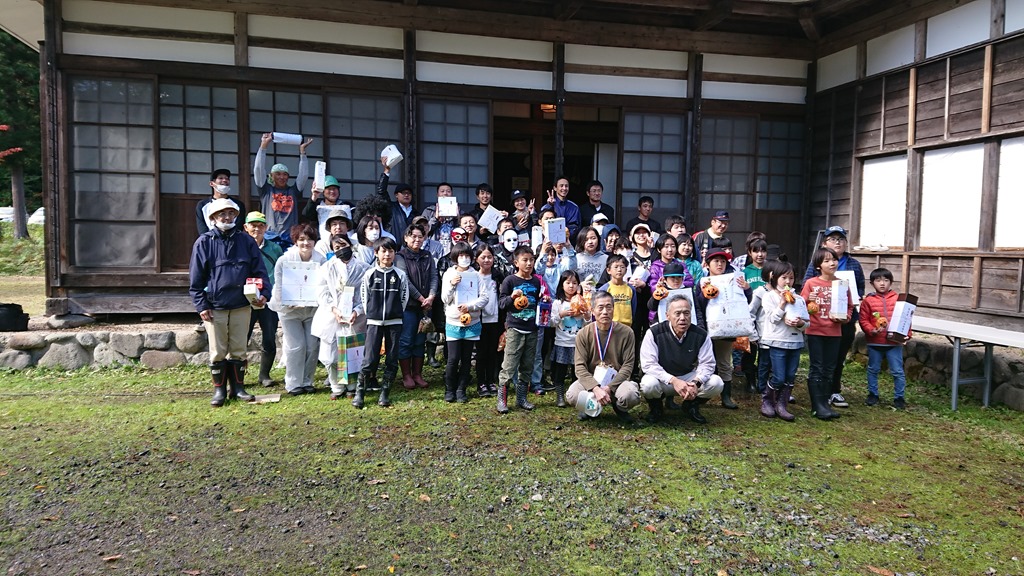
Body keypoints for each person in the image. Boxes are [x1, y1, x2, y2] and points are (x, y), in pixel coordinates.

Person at [189, 198, 270, 407]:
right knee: (217, 350)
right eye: (222, 214)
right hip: (214, 305)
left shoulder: (246, 241)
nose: (227, 217)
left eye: (231, 213)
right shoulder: (204, 242)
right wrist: (201, 305)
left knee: (239, 348)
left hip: (242, 304)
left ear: (236, 216)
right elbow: (196, 279)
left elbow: (260, 271)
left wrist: (264, 293)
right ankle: (219, 391)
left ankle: (238, 388)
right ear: (213, 218)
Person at [802, 225, 864, 409]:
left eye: (841, 239)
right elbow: (805, 294)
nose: (838, 242)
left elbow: (858, 290)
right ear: (824, 243)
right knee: (818, 364)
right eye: (833, 239)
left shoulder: (853, 265)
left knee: (835, 360)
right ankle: (818, 401)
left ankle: (831, 393)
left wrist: (848, 314)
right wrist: (811, 300)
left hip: (841, 323)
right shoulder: (814, 271)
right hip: (818, 324)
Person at [640, 295, 724, 423]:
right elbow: (648, 364)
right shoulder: (654, 333)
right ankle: (656, 407)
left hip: (687, 377)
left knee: (716, 383)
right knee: (648, 384)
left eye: (686, 313)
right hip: (664, 378)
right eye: (677, 313)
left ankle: (691, 405)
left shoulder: (700, 334)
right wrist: (673, 380)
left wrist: (696, 383)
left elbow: (707, 364)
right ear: (667, 315)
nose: (682, 318)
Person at [565, 290, 642, 423]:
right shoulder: (583, 334)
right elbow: (580, 367)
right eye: (600, 308)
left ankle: (619, 407)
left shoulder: (626, 333)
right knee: (572, 395)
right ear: (593, 311)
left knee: (631, 395)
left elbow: (628, 366)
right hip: (591, 378)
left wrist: (608, 388)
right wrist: (595, 388)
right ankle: (590, 408)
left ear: (613, 309)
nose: (605, 312)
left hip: (616, 379)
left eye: (608, 307)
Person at [268, 223, 325, 396]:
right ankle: (293, 383)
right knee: (296, 346)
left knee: (312, 346)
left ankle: (307, 381)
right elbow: (279, 286)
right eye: (301, 239)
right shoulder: (284, 260)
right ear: (295, 241)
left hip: (312, 310)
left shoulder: (321, 260)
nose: (305, 243)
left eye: (309, 239)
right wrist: (286, 302)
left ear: (315, 241)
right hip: (290, 311)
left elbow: (324, 285)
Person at [312, 233, 369, 400]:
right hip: (331, 315)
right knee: (330, 355)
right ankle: (336, 385)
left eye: (343, 245)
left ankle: (352, 385)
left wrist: (357, 310)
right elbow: (322, 292)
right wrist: (334, 309)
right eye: (337, 247)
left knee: (352, 352)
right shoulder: (326, 268)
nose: (341, 249)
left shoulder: (364, 268)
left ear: (350, 245)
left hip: (355, 316)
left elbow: (366, 294)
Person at [356, 237, 410, 409]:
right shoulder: (369, 274)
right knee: (370, 358)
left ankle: (385, 392)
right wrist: (373, 313)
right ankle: (360, 391)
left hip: (395, 322)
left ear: (395, 253)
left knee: (392, 359)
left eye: (391, 251)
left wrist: (396, 313)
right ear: (376, 253)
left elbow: (404, 297)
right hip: (374, 322)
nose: (387, 254)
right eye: (383, 251)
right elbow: (364, 296)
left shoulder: (400, 275)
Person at [694, 249, 751, 410]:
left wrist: (747, 289)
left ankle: (726, 396)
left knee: (725, 362)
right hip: (707, 328)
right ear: (707, 264)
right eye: (716, 261)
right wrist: (704, 294)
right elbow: (698, 306)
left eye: (723, 261)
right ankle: (701, 394)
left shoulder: (734, 280)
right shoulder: (702, 282)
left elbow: (744, 302)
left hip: (727, 328)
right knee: (703, 361)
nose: (720, 264)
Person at [801, 247, 852, 420]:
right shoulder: (811, 283)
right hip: (815, 331)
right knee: (817, 366)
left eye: (834, 259)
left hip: (834, 331)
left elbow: (849, 306)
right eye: (827, 260)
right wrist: (809, 303)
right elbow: (801, 304)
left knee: (830, 368)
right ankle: (817, 406)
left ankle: (825, 403)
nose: (832, 263)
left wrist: (846, 318)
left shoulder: (842, 284)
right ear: (818, 265)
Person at [496, 245, 545, 413]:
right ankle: (502, 400)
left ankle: (521, 398)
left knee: (527, 365)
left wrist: (544, 301)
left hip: (532, 328)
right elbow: (502, 303)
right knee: (509, 365)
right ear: (516, 262)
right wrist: (512, 297)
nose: (529, 263)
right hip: (515, 328)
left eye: (531, 260)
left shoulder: (536, 281)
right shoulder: (510, 281)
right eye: (525, 260)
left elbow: (537, 302)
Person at [757, 259, 805, 421]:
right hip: (777, 341)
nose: (787, 281)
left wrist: (800, 323)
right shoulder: (769, 296)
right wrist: (782, 304)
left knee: (790, 376)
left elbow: (807, 323)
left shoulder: (799, 299)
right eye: (784, 277)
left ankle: (781, 405)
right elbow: (772, 318)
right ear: (775, 278)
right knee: (779, 376)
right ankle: (767, 401)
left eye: (791, 278)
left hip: (795, 342)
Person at [441, 242, 489, 402]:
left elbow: (484, 298)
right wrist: (452, 285)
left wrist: (470, 306)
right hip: (453, 322)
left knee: (467, 358)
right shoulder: (449, 273)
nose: (464, 259)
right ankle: (450, 389)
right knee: (453, 358)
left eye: (467, 255)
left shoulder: (476, 275)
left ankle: (461, 389)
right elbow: (445, 299)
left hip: (472, 322)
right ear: (455, 257)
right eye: (461, 255)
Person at [394, 223, 437, 391]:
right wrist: (420, 298)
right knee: (406, 340)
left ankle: (417, 374)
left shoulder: (427, 255)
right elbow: (404, 279)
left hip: (426, 306)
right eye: (413, 236)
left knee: (420, 340)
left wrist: (431, 296)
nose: (417, 239)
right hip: (408, 305)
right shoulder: (400, 257)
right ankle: (406, 375)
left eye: (420, 236)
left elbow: (434, 277)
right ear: (406, 238)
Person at [858, 267, 909, 410]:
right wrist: (871, 330)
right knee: (873, 369)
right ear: (872, 283)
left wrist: (907, 334)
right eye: (878, 280)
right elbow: (863, 320)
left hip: (894, 343)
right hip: (875, 342)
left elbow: (906, 318)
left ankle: (899, 397)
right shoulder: (868, 301)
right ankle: (873, 394)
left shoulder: (898, 299)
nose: (882, 283)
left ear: (891, 282)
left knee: (897, 371)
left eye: (886, 280)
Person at [243, 211, 283, 387]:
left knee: (269, 337)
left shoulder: (275, 249)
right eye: (253, 225)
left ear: (266, 228)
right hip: (245, 300)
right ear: (246, 227)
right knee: (241, 338)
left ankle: (264, 375)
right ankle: (238, 375)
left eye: (261, 225)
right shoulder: (240, 247)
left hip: (268, 299)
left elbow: (281, 273)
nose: (257, 229)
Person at [253, 132, 312, 245]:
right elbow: (258, 169)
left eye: (285, 174)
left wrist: (302, 153)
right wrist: (263, 146)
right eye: (278, 174)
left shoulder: (293, 191)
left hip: (290, 237)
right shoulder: (266, 191)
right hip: (270, 237)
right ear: (271, 176)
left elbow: (303, 176)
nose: (282, 177)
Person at [549, 270, 587, 408]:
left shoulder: (582, 301)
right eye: (568, 283)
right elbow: (551, 323)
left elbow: (588, 323)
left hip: (578, 344)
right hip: (562, 342)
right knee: (560, 371)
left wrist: (586, 315)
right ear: (562, 284)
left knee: (578, 372)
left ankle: (576, 396)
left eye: (575, 283)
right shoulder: (558, 303)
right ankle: (560, 396)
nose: (571, 286)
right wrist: (562, 314)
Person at [474, 244, 503, 398]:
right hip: (478, 319)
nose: (486, 260)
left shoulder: (498, 276)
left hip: (495, 318)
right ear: (476, 259)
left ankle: (491, 380)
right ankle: (481, 382)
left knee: (493, 351)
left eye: (489, 257)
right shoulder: (473, 276)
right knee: (481, 352)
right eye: (483, 257)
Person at [376, 158, 416, 247]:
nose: (406, 195)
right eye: (403, 193)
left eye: (409, 193)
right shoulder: (391, 208)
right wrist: (387, 171)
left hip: (410, 249)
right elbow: (381, 192)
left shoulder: (416, 213)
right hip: (392, 247)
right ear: (396, 195)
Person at [196, 168, 245, 234]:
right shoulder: (202, 205)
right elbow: (202, 228)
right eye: (220, 178)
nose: (224, 180)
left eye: (227, 178)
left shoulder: (238, 205)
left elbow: (239, 227)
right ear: (212, 183)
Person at [599, 254, 635, 328]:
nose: (619, 270)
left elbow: (633, 308)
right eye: (616, 267)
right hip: (609, 326)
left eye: (622, 267)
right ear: (608, 270)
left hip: (627, 326)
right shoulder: (604, 289)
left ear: (626, 270)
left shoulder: (631, 289)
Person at [422, 182, 457, 259]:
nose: (445, 193)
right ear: (437, 195)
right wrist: (435, 218)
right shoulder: (429, 211)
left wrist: (457, 217)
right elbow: (423, 230)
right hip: (434, 250)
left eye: (448, 191)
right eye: (442, 191)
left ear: (452, 194)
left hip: (452, 250)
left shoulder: (458, 210)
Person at [541, 176, 581, 241]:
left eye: (566, 186)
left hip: (569, 242)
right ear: (555, 188)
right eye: (561, 186)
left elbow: (576, 228)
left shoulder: (574, 207)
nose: (564, 188)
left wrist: (564, 236)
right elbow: (543, 224)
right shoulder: (547, 206)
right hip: (550, 242)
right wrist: (550, 206)